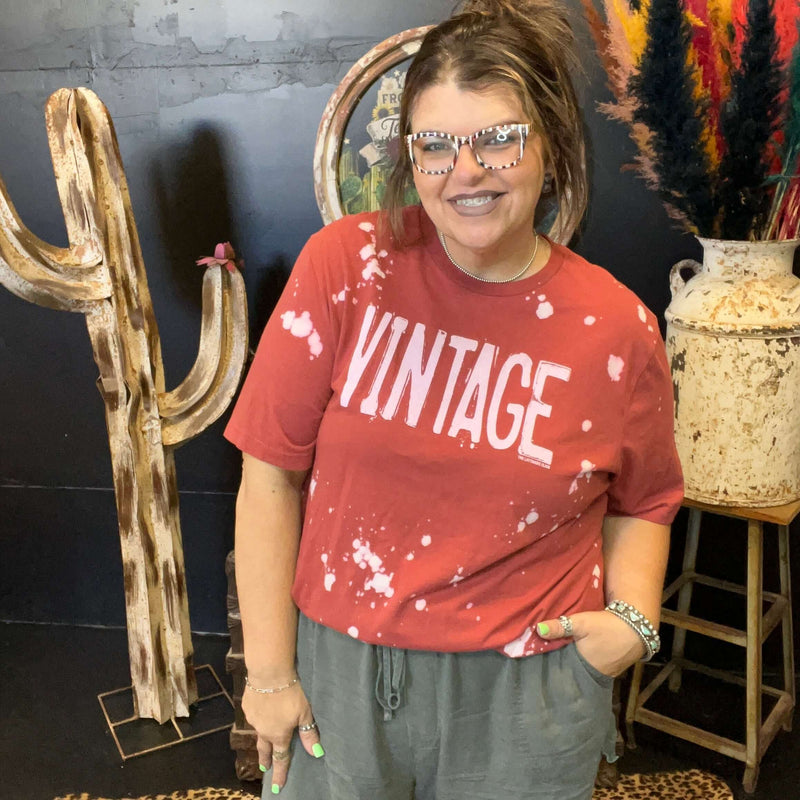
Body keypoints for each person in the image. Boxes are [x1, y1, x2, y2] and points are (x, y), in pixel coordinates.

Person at [224, 1, 684, 798]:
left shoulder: (618, 327)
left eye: (498, 138)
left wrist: (632, 626)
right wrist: (268, 674)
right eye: (435, 146)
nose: (464, 172)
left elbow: (645, 501)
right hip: (342, 673)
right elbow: (269, 476)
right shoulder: (345, 269)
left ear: (550, 141)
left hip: (529, 686)